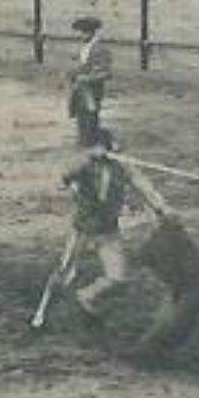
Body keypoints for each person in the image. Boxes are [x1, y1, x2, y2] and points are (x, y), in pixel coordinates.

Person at [34, 128, 172, 327]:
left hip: (108, 232)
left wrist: (161, 207)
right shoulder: (85, 164)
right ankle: (42, 311)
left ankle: (86, 296)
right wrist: (89, 157)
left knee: (118, 279)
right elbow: (65, 175)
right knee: (65, 273)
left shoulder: (121, 166)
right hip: (82, 229)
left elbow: (143, 186)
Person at [65, 16, 112, 147]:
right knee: (80, 113)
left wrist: (86, 78)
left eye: (83, 32)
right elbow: (80, 65)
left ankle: (94, 141)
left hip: (92, 88)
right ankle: (84, 140)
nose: (81, 35)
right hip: (79, 87)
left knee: (91, 113)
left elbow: (106, 73)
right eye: (80, 32)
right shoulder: (84, 47)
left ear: (91, 32)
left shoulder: (100, 48)